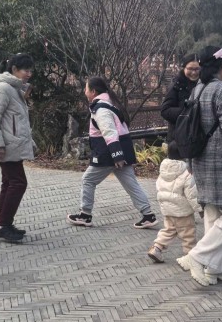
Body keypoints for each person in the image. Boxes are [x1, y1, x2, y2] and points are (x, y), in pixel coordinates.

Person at [176, 46, 222, 286]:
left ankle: (216, 268)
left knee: (213, 212)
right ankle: (197, 256)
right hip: (221, 158)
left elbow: (190, 127)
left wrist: (189, 161)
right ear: (220, 66)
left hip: (199, 157)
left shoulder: (197, 88)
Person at [67, 76, 157, 229]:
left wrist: (117, 155)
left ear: (93, 91)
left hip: (108, 153)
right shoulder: (110, 104)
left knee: (88, 180)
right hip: (121, 151)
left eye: (86, 89)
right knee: (131, 184)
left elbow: (110, 133)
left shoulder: (101, 109)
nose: (84, 91)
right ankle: (148, 215)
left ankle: (85, 215)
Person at [0, 53, 36, 244]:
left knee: (9, 183)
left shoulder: (13, 89)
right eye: (26, 70)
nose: (29, 74)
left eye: (30, 70)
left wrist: (30, 143)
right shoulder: (3, 88)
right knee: (18, 183)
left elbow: (18, 121)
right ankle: (4, 225)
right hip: (6, 146)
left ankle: (3, 225)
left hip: (12, 144)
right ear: (14, 69)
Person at [147, 148, 199, 263]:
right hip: (183, 211)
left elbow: (159, 188)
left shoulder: (163, 171)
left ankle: (156, 248)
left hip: (167, 209)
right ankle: (191, 257)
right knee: (188, 234)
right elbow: (192, 195)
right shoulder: (186, 172)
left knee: (169, 230)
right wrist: (199, 209)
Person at [159, 54, 201, 158]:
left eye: (197, 69)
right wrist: (188, 113)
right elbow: (165, 110)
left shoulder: (202, 84)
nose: (194, 72)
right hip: (178, 138)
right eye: (190, 69)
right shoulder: (177, 85)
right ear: (183, 68)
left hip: (197, 137)